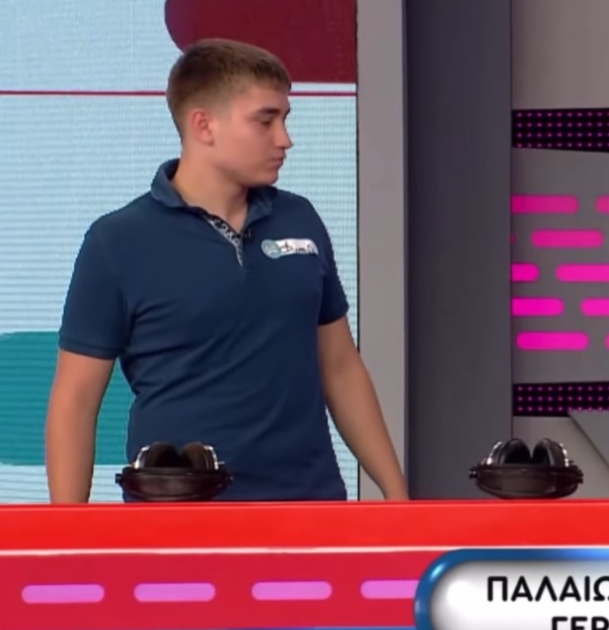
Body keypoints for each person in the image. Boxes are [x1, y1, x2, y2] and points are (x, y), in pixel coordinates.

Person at [44, 39, 408, 502]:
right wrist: (68, 532)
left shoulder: (301, 219)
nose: (284, 139)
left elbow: (340, 368)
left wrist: (396, 496)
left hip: (309, 507)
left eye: (285, 119)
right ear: (204, 125)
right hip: (175, 515)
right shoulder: (116, 241)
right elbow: (75, 402)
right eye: (265, 121)